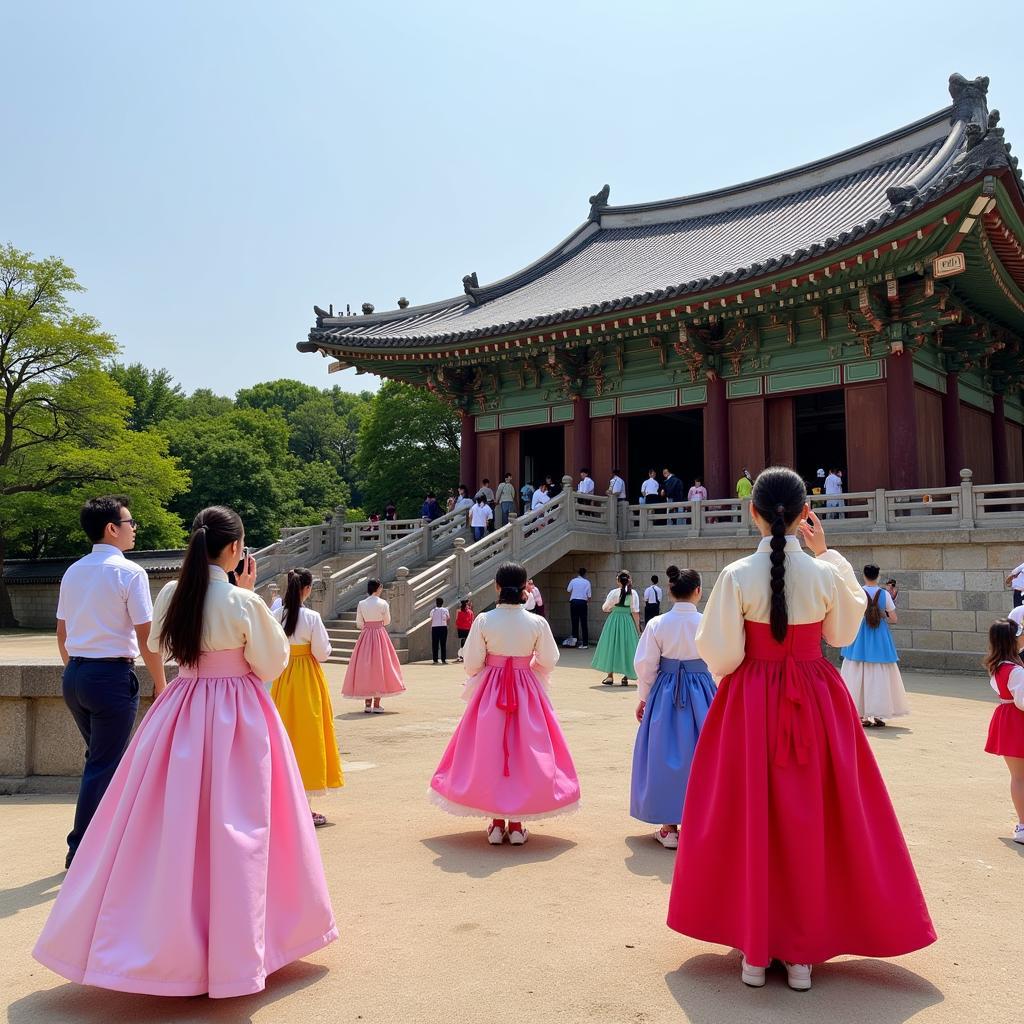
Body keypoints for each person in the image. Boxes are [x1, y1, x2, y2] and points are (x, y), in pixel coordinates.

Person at [35, 505, 337, 998]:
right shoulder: (244, 602)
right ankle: (239, 949)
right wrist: (244, 595)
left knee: (168, 822)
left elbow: (158, 642)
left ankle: (160, 945)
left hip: (181, 707)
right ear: (237, 550)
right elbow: (270, 663)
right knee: (243, 825)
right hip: (238, 712)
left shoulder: (173, 590)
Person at [666, 467, 935, 992]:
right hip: (815, 696)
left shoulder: (737, 574)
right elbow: (842, 631)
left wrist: (749, 671)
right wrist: (828, 554)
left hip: (749, 699)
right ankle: (802, 956)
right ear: (803, 514)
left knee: (748, 811)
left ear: (754, 512)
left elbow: (720, 652)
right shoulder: (824, 573)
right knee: (814, 813)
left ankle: (753, 949)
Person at [429, 561, 581, 845]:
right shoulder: (537, 622)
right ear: (526, 588)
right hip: (526, 688)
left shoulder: (485, 620)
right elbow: (549, 659)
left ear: (497, 587)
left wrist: (490, 668)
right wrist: (529, 669)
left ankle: (496, 822)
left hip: (491, 690)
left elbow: (472, 662)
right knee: (526, 749)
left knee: (490, 749)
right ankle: (517, 823)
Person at [55, 495, 168, 869]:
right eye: (130, 522)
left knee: (102, 761)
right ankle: (82, 850)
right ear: (112, 528)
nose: (134, 528)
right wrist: (161, 683)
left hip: (76, 675)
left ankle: (106, 840)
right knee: (105, 764)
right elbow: (146, 633)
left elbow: (62, 631)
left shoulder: (73, 571)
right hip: (110, 677)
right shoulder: (129, 573)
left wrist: (77, 671)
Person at [631, 569, 715, 848]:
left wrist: (645, 696)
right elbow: (721, 660)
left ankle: (668, 827)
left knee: (661, 753)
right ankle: (700, 822)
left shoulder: (657, 624)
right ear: (698, 591)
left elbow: (644, 665)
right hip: (702, 692)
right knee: (703, 753)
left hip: (665, 691)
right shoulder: (707, 623)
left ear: (670, 591)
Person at [272, 567, 343, 826]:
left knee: (284, 734)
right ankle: (305, 804)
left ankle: (282, 800)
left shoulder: (276, 614)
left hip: (282, 677)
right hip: (307, 678)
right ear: (307, 589)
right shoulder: (311, 617)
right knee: (310, 735)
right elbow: (323, 652)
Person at [840, 564, 909, 728]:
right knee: (880, 672)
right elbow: (894, 618)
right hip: (879, 637)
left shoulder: (857, 592)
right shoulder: (884, 594)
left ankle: (860, 714)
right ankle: (879, 714)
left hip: (859, 637)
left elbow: (849, 613)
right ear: (878, 576)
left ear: (864, 576)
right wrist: (881, 613)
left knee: (856, 671)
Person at [983, 619, 1024, 845]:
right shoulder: (1015, 670)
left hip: (1008, 720)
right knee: (1020, 777)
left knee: (1018, 777)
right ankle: (1022, 825)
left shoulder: (998, 666)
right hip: (1018, 721)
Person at [342, 578, 406, 711]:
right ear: (378, 588)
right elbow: (387, 621)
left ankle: (367, 704)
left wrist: (367, 625)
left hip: (366, 635)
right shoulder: (383, 603)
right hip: (379, 634)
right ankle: (376, 704)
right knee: (381, 666)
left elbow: (359, 623)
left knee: (365, 668)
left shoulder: (361, 603)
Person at [593, 570, 641, 686]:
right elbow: (635, 612)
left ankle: (610, 676)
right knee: (628, 646)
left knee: (611, 645)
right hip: (627, 620)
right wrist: (638, 629)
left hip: (614, 620)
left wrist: (613, 608)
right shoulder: (633, 593)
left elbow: (605, 608)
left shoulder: (614, 593)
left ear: (618, 581)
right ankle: (626, 676)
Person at [566, 568, 592, 649]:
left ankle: (574, 642)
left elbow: (568, 589)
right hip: (583, 602)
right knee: (584, 623)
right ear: (585, 574)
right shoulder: (587, 582)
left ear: (578, 573)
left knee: (574, 622)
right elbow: (589, 595)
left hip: (574, 602)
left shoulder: (573, 580)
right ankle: (585, 643)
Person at [431, 597, 451, 665]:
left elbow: (431, 618)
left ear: (436, 603)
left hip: (435, 628)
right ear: (442, 603)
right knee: (443, 644)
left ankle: (435, 660)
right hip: (443, 627)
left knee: (435, 644)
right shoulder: (445, 610)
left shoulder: (433, 611)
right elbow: (448, 618)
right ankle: (443, 659)